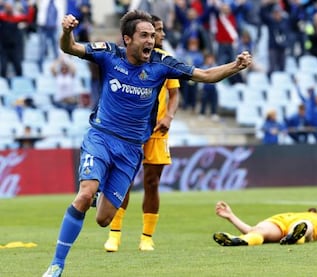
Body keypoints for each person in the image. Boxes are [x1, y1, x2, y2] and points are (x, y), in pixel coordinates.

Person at [42, 10, 251, 277]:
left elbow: (205, 75)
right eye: (145, 35)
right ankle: (57, 264)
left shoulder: (162, 64)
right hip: (101, 137)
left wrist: (235, 66)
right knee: (84, 194)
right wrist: (67, 31)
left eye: (153, 35)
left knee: (103, 219)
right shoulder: (109, 54)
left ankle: (99, 189)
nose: (151, 40)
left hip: (131, 150)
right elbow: (69, 47)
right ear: (127, 39)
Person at [103, 14, 180, 253]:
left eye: (159, 31)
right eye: (157, 30)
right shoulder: (126, 59)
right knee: (123, 181)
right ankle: (114, 234)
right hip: (131, 130)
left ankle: (147, 237)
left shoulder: (166, 61)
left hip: (157, 130)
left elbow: (175, 93)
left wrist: (168, 116)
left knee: (152, 182)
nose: (160, 35)